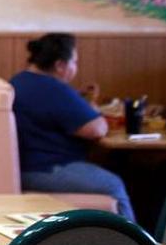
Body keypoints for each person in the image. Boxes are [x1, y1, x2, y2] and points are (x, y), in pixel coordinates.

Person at [9, 32, 134, 220]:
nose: (75, 67)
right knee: (113, 184)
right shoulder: (53, 88)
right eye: (74, 62)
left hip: (24, 167)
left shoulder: (19, 81)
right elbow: (96, 129)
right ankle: (132, 238)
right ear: (60, 65)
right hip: (46, 169)